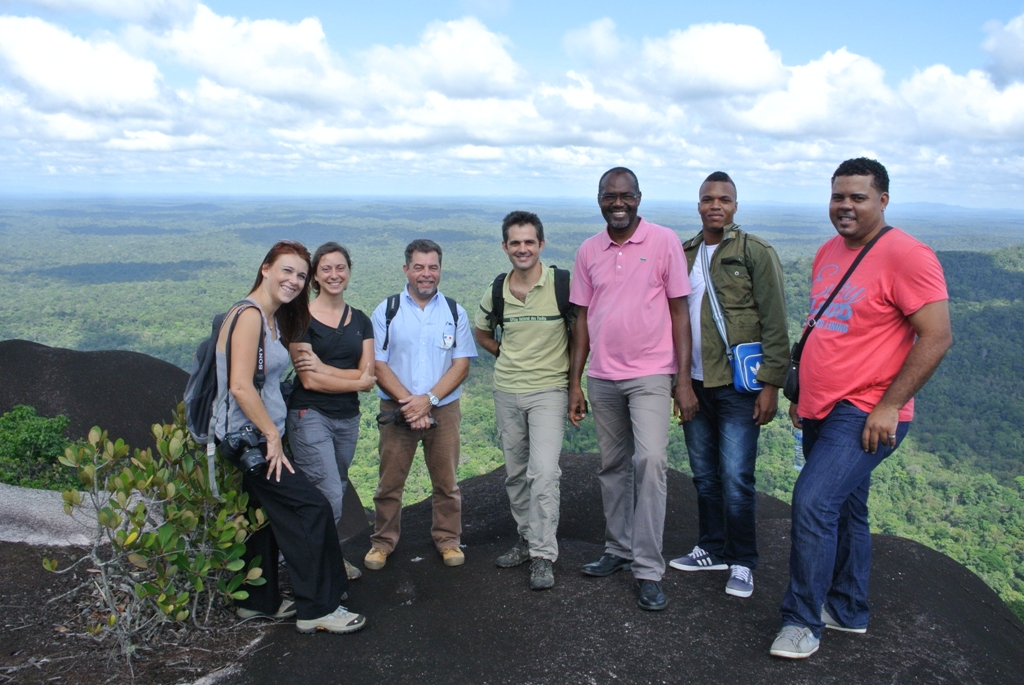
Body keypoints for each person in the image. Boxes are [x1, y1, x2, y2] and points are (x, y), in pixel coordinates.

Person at [770, 158, 951, 658]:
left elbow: (936, 337)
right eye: (838, 196)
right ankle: (848, 608)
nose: (845, 206)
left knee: (812, 501)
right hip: (821, 405)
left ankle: (802, 622)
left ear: (883, 201)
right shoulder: (829, 251)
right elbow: (827, 330)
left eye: (858, 197)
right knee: (848, 508)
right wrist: (804, 394)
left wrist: (890, 405)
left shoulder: (908, 255)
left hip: (868, 408)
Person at [214, 240, 365, 635]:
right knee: (311, 508)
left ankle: (255, 601)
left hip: (253, 436)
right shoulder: (249, 316)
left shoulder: (266, 316)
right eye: (287, 271)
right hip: (255, 440)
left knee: (261, 519)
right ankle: (318, 608)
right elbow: (241, 387)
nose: (294, 280)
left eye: (300, 274)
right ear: (265, 268)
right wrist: (272, 438)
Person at [569, 167, 698, 611]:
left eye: (625, 195)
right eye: (609, 195)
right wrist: (575, 382)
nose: (617, 202)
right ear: (599, 199)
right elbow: (581, 321)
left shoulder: (663, 241)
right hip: (603, 375)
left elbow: (680, 312)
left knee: (651, 461)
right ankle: (618, 549)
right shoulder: (589, 250)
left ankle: (647, 567)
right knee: (613, 465)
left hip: (650, 373)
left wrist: (683, 380)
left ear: (639, 198)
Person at [670, 172, 789, 599]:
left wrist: (771, 384)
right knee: (704, 475)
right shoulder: (684, 254)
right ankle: (712, 547)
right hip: (694, 381)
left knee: (737, 476)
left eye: (724, 199)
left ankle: (742, 561)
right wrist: (678, 381)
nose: (715, 205)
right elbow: (672, 318)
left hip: (739, 384)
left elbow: (776, 320)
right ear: (698, 205)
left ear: (735, 206)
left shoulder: (754, 252)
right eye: (707, 199)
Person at [364, 239, 477, 570]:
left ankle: (448, 540)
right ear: (406, 270)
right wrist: (410, 405)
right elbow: (378, 364)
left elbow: (461, 365)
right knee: (390, 482)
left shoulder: (454, 312)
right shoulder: (387, 311)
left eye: (432, 267)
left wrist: (427, 401)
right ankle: (382, 543)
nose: (426, 274)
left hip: (443, 409)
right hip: (396, 408)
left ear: (440, 270)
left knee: (446, 482)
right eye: (419, 267)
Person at [475, 210, 571, 591]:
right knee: (515, 473)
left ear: (541, 244)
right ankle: (527, 539)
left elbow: (582, 334)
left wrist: (574, 384)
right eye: (515, 242)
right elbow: (482, 333)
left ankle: (543, 555)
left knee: (544, 472)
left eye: (529, 241)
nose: (522, 248)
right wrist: (508, 356)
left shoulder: (561, 284)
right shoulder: (497, 290)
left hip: (549, 390)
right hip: (507, 389)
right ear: (505, 247)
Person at [287, 242, 376, 582]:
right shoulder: (300, 319)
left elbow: (369, 378)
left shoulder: (361, 321)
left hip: (347, 418)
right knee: (330, 492)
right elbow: (309, 381)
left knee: (335, 484)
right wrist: (352, 378)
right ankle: (320, 568)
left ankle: (324, 558)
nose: (334, 274)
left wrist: (326, 367)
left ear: (349, 272)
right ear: (314, 276)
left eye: (340, 268)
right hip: (310, 415)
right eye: (326, 269)